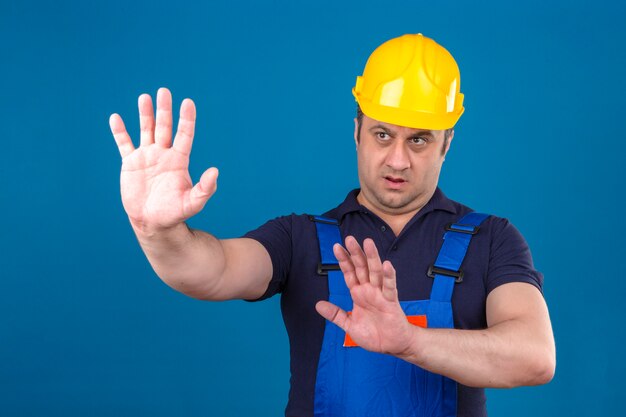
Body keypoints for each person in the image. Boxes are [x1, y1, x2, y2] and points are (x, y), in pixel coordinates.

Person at [109, 34, 555, 417]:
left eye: (419, 139)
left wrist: (410, 342)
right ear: (357, 130)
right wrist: (158, 232)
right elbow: (210, 272)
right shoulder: (298, 237)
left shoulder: (491, 238)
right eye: (383, 134)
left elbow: (535, 357)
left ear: (446, 145)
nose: (398, 159)